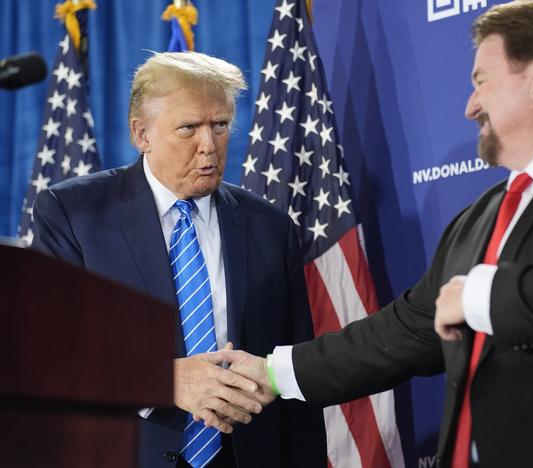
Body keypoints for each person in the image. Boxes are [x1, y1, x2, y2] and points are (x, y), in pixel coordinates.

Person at [225, 1, 533, 467]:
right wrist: (272, 372)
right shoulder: (484, 215)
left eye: (481, 81)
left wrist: (479, 295)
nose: (471, 105)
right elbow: (406, 330)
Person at [32, 51, 326, 468]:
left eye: (220, 125)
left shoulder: (270, 228)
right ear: (141, 133)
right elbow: (47, 352)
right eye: (189, 127)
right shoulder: (74, 214)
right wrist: (164, 380)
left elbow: (296, 379)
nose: (208, 146)